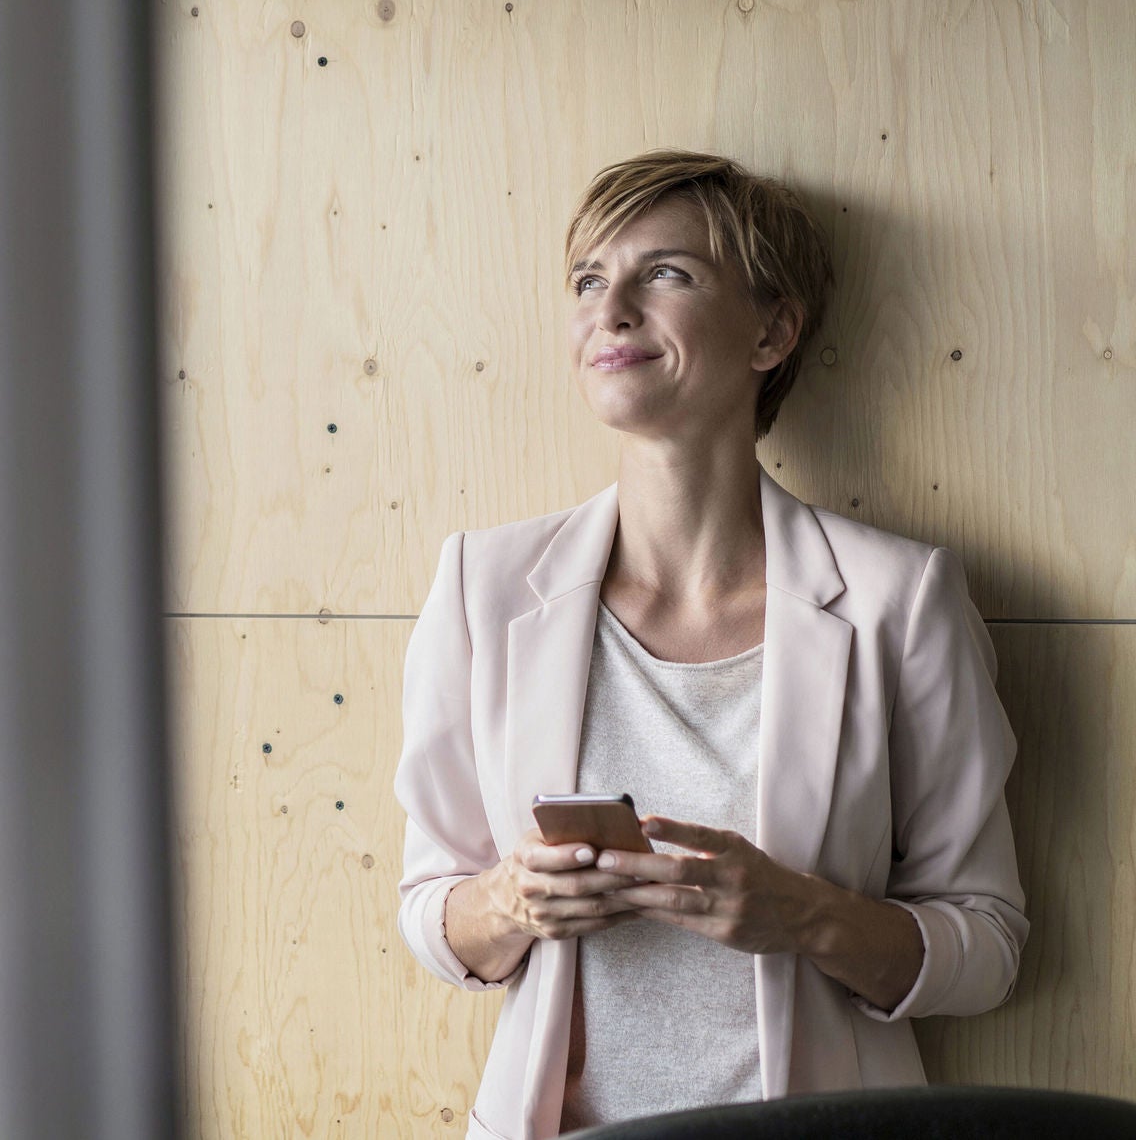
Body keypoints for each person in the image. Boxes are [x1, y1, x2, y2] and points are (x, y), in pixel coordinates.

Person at [392, 149, 1027, 1140]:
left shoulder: (897, 601)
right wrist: (510, 902)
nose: (609, 310)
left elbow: (985, 946)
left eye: (665, 274)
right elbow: (430, 914)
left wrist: (799, 915)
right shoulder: (481, 587)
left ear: (770, 331)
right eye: (587, 279)